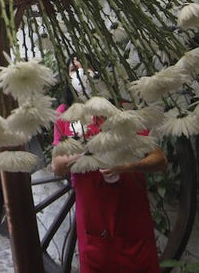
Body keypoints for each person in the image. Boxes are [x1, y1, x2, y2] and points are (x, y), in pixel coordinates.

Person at [51, 101, 167, 273]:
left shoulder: (122, 110)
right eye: (73, 71)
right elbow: (57, 166)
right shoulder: (65, 113)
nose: (79, 74)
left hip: (131, 212)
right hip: (93, 217)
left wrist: (128, 166)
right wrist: (87, 151)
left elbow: (159, 160)